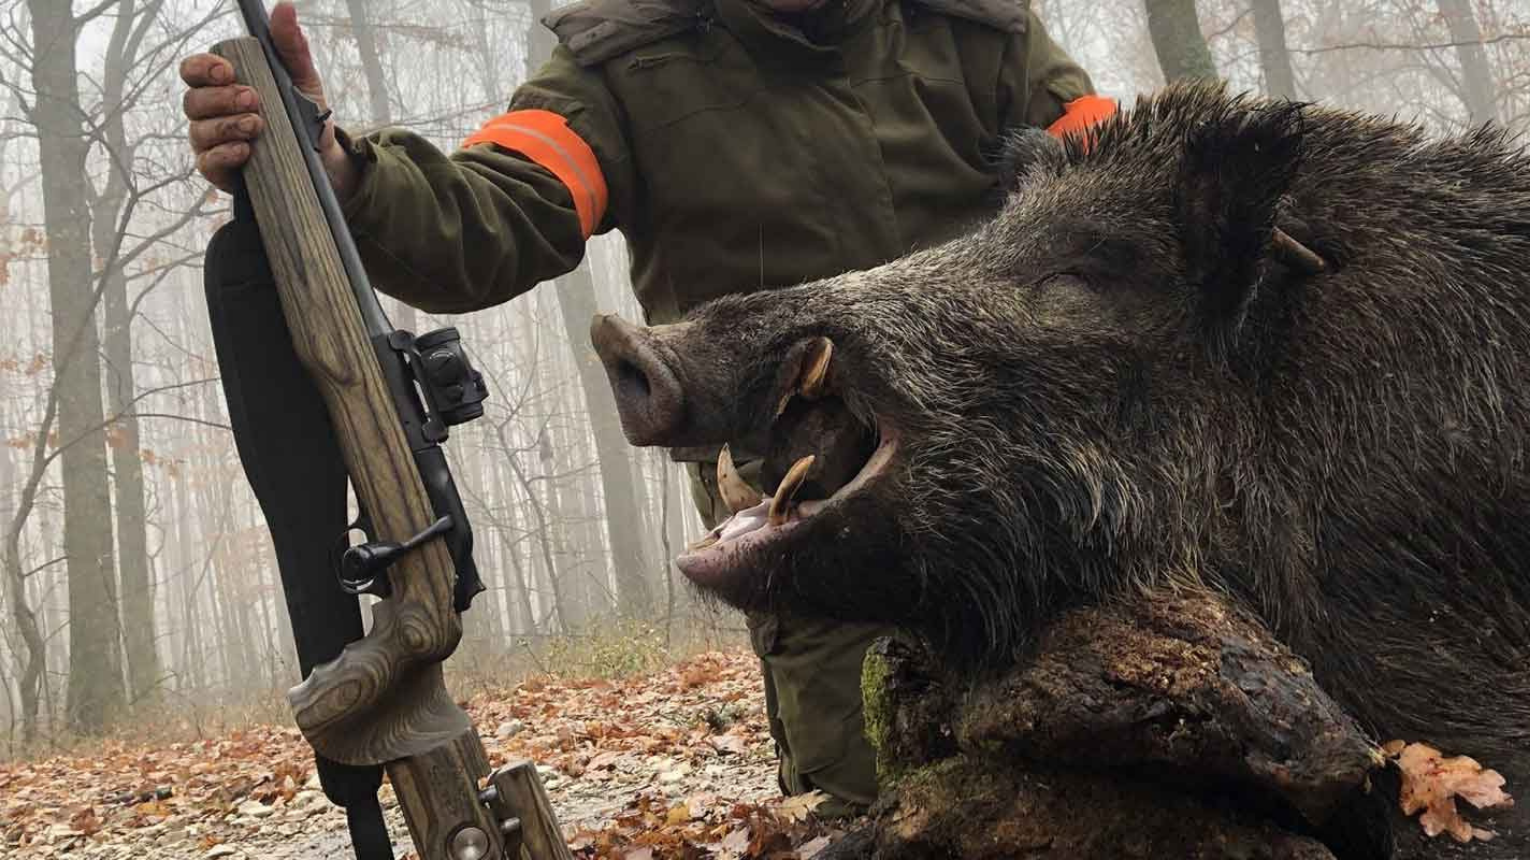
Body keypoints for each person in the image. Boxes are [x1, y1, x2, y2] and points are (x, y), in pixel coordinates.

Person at [180, 0, 1112, 819]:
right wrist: (338, 167)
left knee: (1125, 764)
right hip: (803, 509)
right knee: (875, 798)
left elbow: (1137, 189)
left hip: (1048, 488)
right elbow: (497, 212)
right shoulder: (623, 60)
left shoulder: (978, 31)